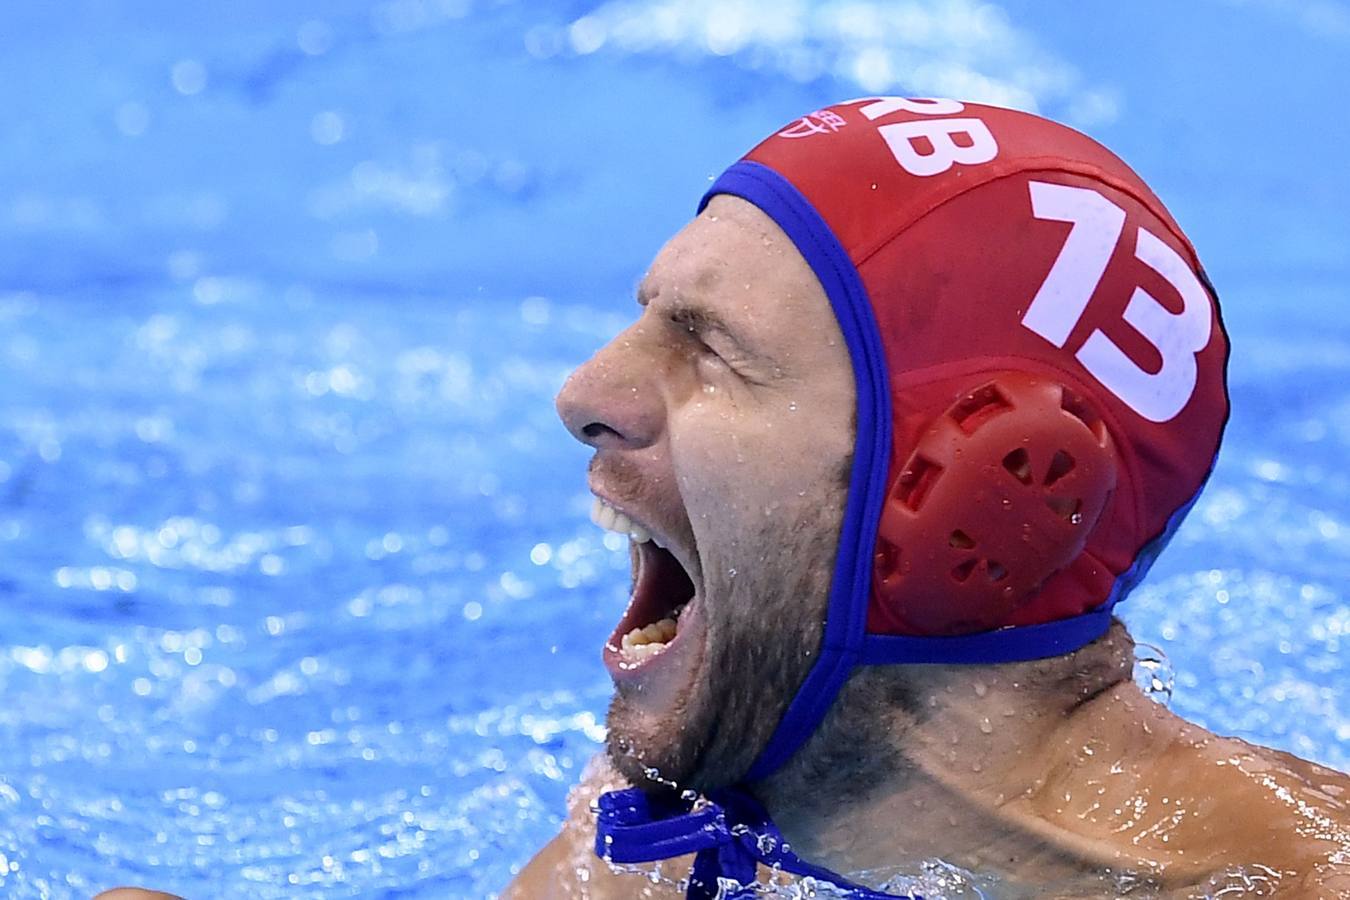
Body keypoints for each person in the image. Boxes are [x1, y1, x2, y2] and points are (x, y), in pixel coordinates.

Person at [506, 98, 1350, 898]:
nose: (585, 392)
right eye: (649, 317)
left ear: (973, 497)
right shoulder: (663, 832)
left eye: (710, 346)